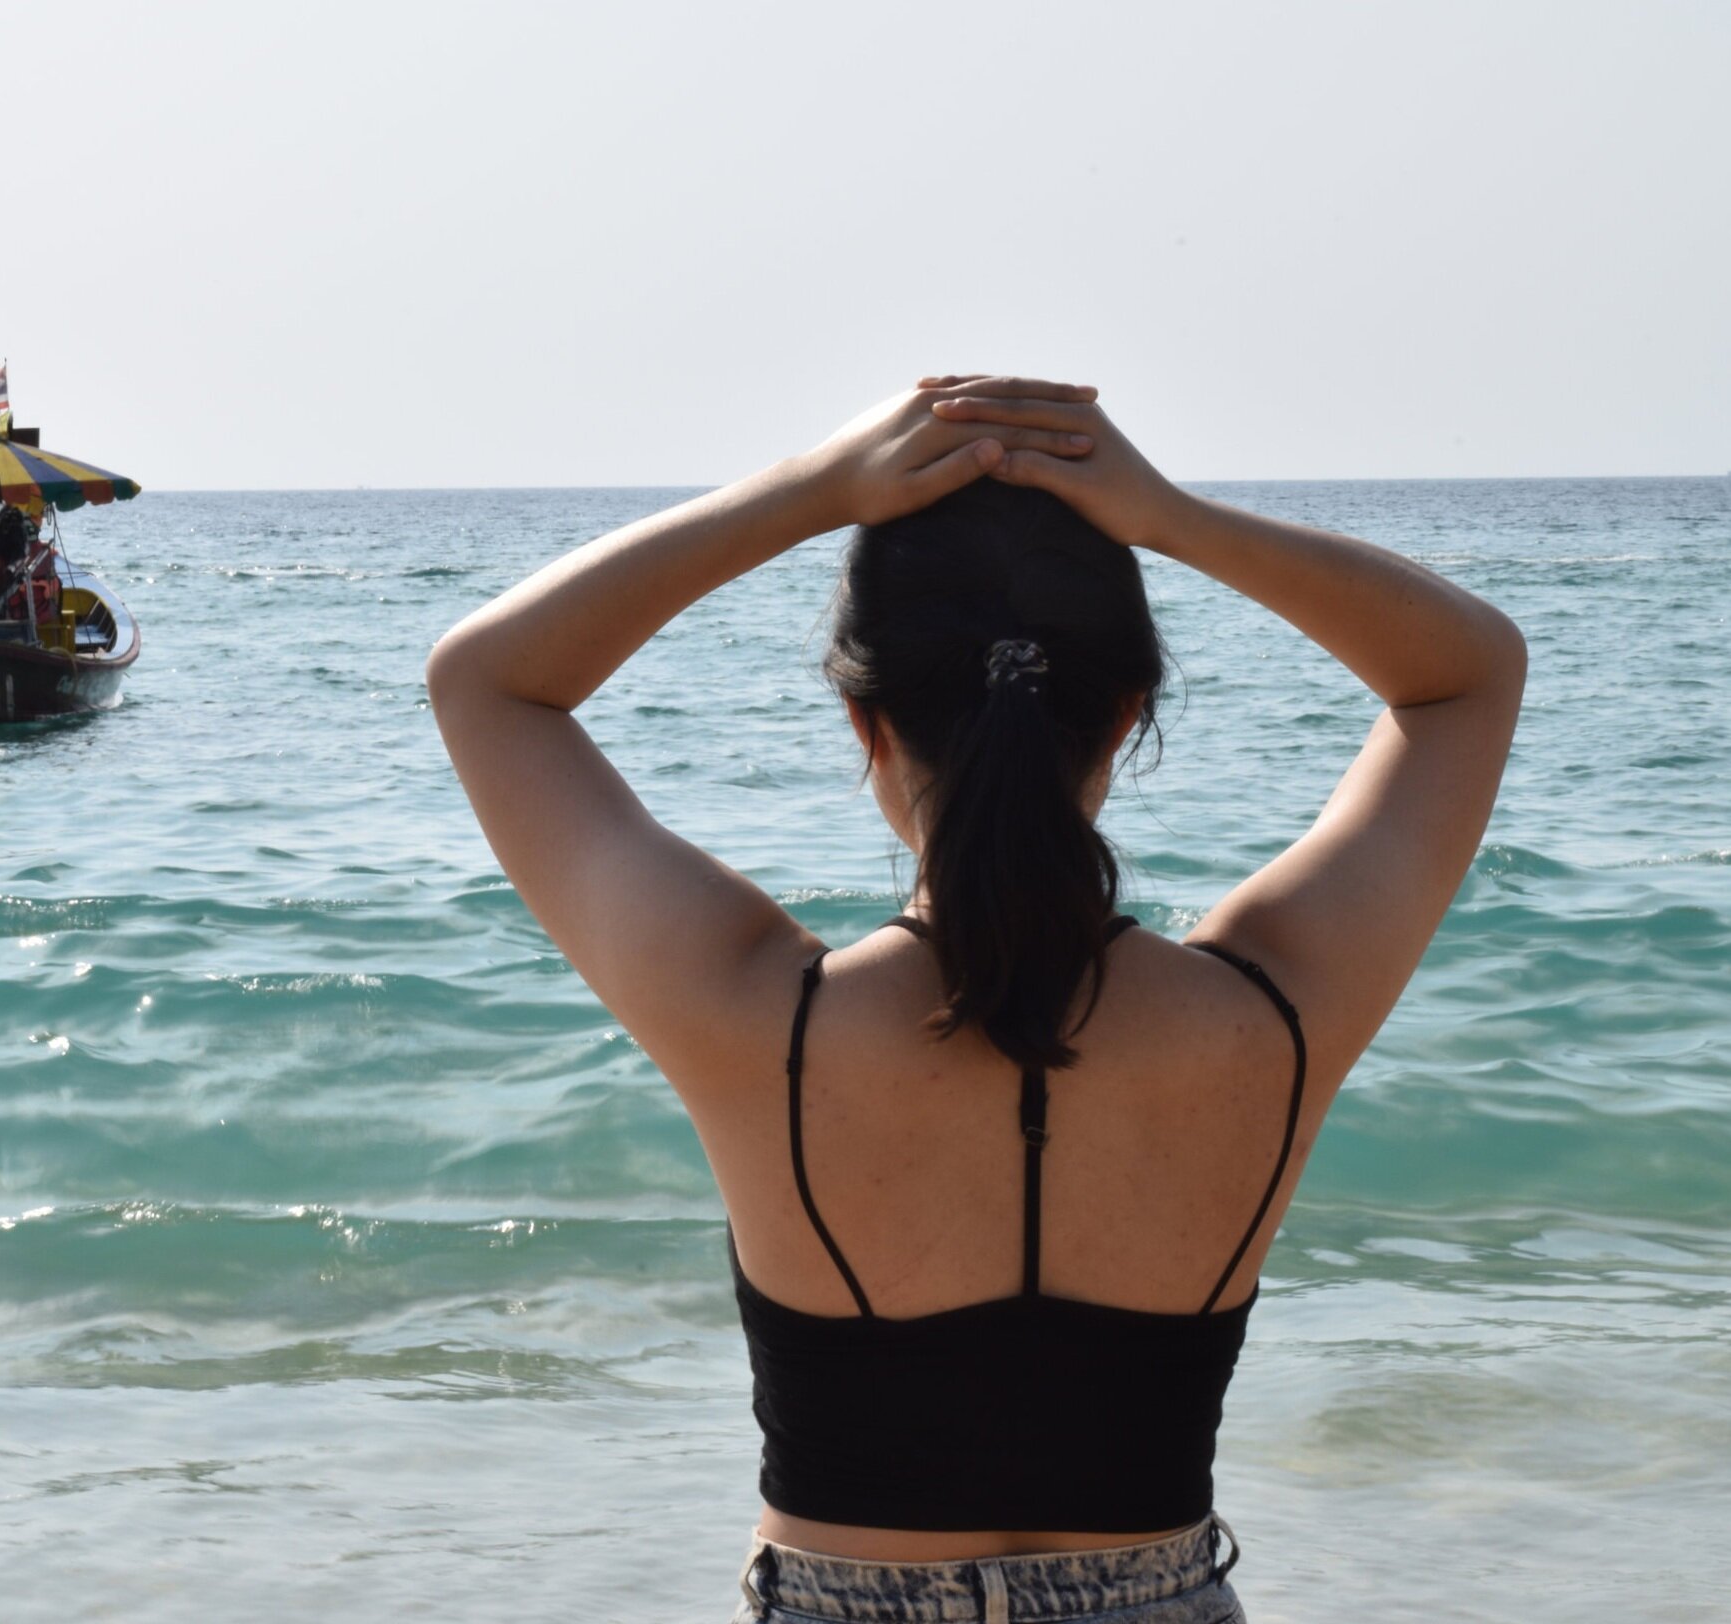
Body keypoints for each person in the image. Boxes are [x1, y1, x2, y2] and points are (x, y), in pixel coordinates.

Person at [426, 375, 1524, 1622]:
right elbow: (1467, 673)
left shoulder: (756, 1016)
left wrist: (815, 490)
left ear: (863, 719)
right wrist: (1169, 516)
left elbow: (488, 679)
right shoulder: (1270, 1012)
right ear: (1126, 713)